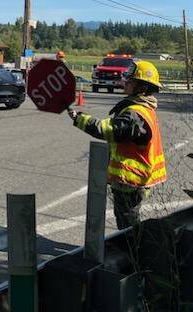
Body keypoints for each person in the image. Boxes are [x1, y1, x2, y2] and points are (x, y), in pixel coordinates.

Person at [68, 60, 167, 229]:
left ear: (141, 88)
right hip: (134, 179)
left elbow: (108, 130)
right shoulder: (144, 109)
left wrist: (80, 118)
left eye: (130, 80)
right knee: (128, 220)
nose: (125, 82)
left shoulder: (135, 113)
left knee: (127, 224)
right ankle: (132, 250)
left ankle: (132, 253)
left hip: (130, 181)